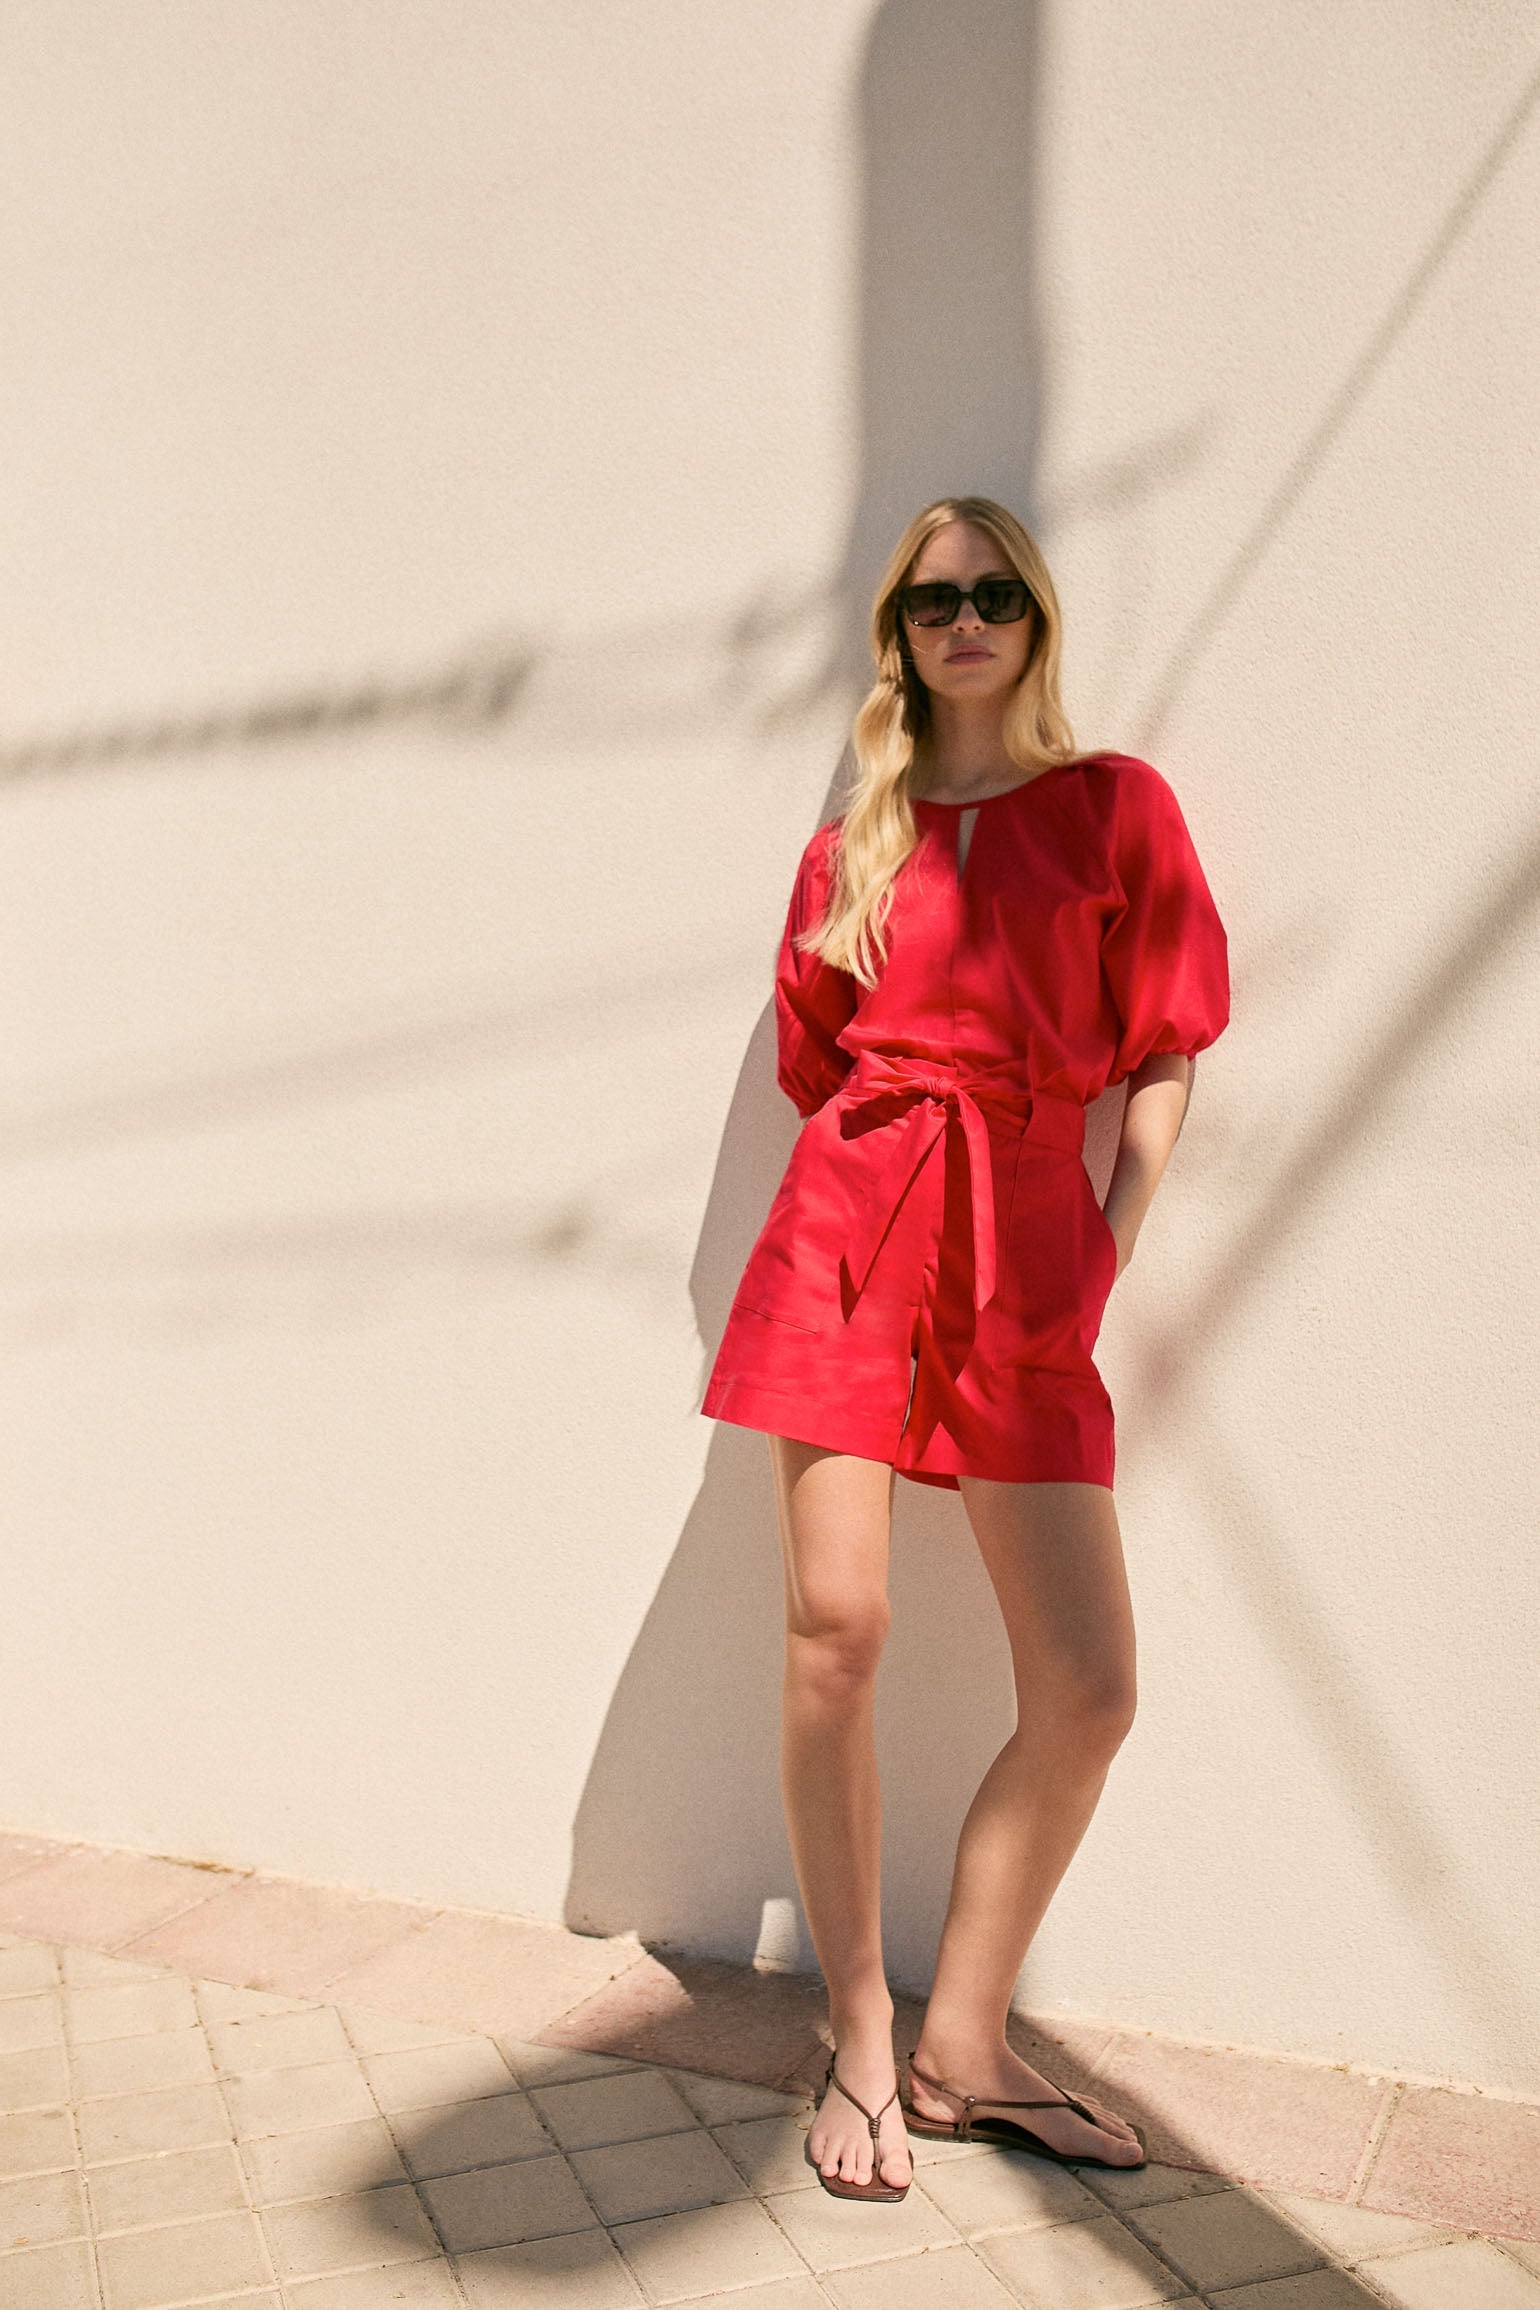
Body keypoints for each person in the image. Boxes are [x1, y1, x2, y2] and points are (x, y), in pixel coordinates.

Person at [701, 496, 1230, 2200]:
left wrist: (1105, 1244)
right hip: (848, 1236)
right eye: (934, 602)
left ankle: (968, 2042)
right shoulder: (851, 843)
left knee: (1089, 1683)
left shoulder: (1115, 810)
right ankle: (862, 2028)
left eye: (998, 592)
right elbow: (816, 1060)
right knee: (836, 1630)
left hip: (1027, 1253)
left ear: (1038, 619)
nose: (968, 620)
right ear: (899, 639)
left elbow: (1165, 1046)